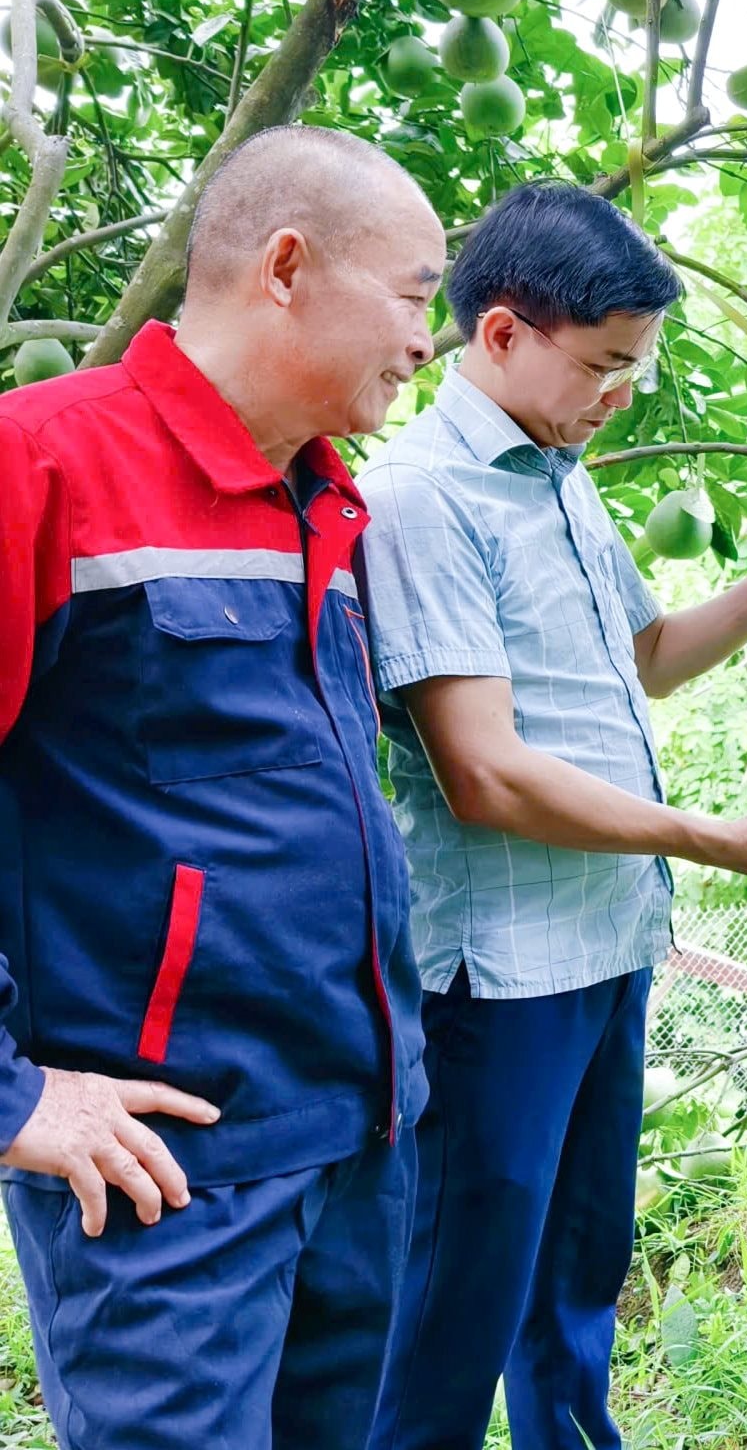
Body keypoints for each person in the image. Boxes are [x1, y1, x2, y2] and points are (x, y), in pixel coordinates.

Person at [358, 181, 747, 1450]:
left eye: (633, 369)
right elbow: (481, 772)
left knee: (576, 1283)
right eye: (603, 364)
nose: (619, 393)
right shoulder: (424, 499)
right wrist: (718, 838)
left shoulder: (559, 478)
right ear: (500, 335)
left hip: (604, 948)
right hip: (498, 978)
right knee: (455, 1304)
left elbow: (644, 655)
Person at [0, 125, 445, 1445]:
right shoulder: (46, 461)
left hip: (361, 1140)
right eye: (417, 295)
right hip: (168, 1171)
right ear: (289, 267)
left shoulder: (322, 503)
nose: (427, 338)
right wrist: (16, 1096)